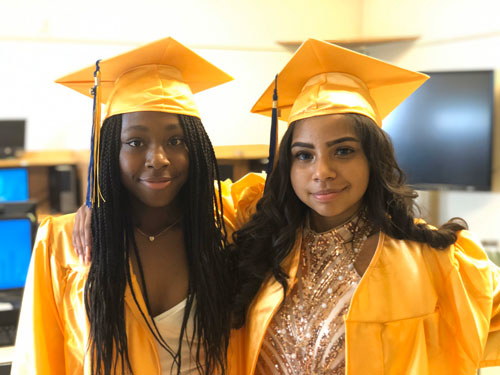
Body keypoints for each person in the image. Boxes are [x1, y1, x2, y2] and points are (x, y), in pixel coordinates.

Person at [226, 39, 500, 374]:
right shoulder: (261, 238)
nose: (322, 172)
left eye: (343, 151)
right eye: (304, 155)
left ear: (374, 158)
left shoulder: (434, 260)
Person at [12, 37, 236, 375]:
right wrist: (95, 205)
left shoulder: (225, 225)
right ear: (109, 154)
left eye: (176, 141)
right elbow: (40, 359)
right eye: (135, 142)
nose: (158, 159)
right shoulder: (62, 243)